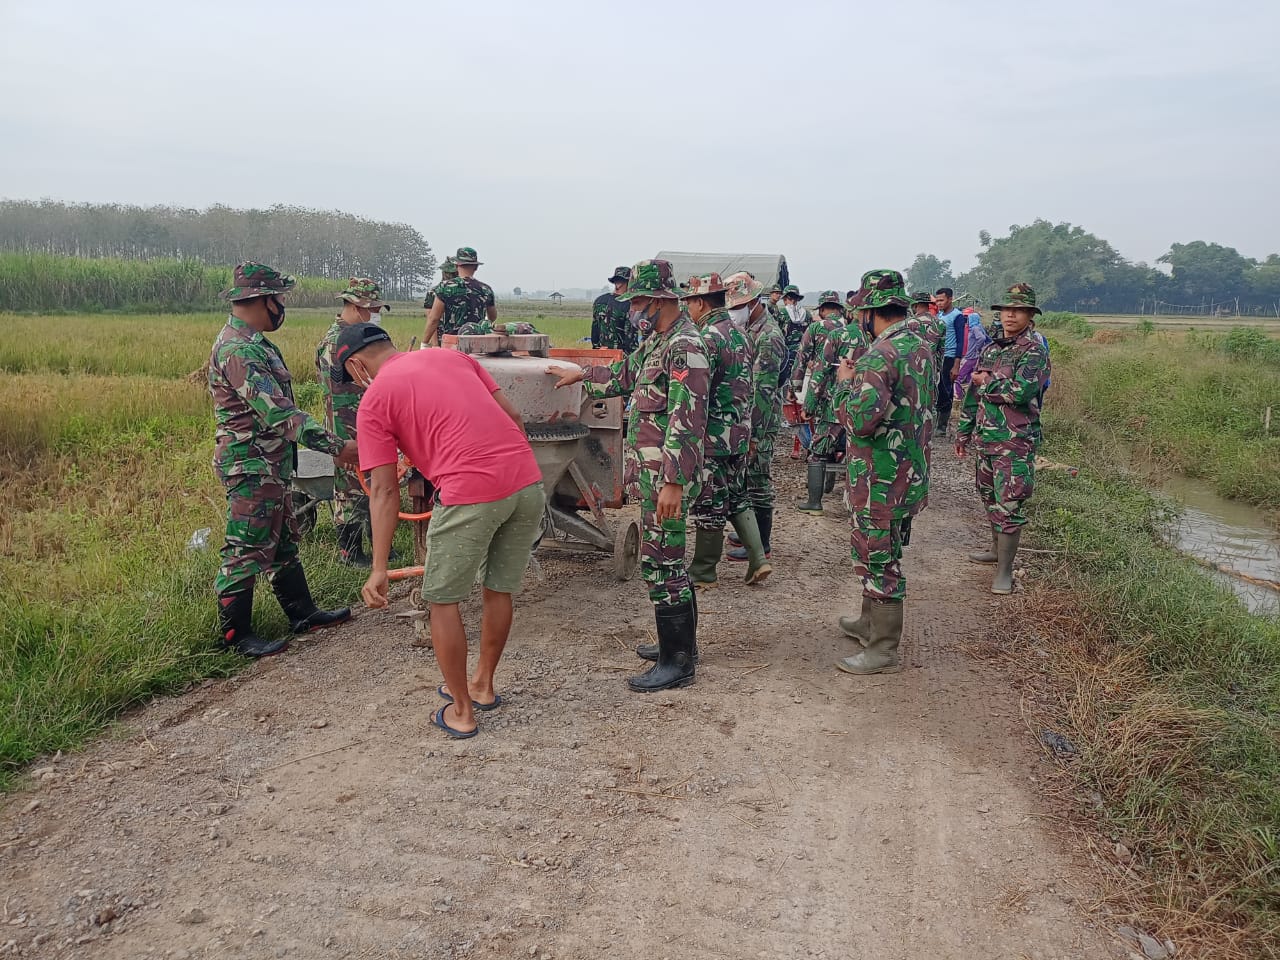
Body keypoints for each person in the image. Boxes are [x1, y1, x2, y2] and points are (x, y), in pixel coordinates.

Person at [340, 324, 545, 739]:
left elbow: (383, 489)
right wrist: (510, 472)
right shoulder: (453, 356)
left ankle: (463, 711)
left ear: (355, 364)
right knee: (498, 588)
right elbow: (516, 417)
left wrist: (379, 567)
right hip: (527, 483)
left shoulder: (375, 398)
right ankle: (483, 685)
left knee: (442, 601)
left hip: (470, 492)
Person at [545, 260, 708, 692]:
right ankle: (678, 645)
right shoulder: (660, 341)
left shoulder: (685, 347)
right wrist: (580, 373)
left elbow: (687, 420)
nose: (632, 308)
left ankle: (678, 663)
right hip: (655, 475)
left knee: (662, 561)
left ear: (658, 301)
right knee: (664, 557)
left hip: (665, 477)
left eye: (637, 300)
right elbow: (625, 373)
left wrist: (673, 481)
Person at [209, 262, 359, 658]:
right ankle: (236, 636)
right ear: (260, 300)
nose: (281, 307)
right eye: (278, 299)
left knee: (283, 542)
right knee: (245, 548)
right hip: (250, 465)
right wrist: (337, 446)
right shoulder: (238, 349)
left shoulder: (256, 343)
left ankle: (303, 613)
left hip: (272, 463)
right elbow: (278, 414)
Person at [831, 269, 934, 676]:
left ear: (871, 311)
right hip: (907, 470)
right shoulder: (920, 346)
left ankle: (883, 648)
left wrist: (845, 385)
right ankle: (868, 622)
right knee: (882, 548)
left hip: (879, 477)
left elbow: (859, 420)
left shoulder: (879, 354)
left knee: (879, 557)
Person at [955, 283, 1051, 595]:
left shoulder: (1034, 352)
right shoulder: (991, 349)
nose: (1010, 315)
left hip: (1015, 441)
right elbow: (973, 393)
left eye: (1018, 310)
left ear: (1029, 315)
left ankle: (1005, 572)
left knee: (1010, 503)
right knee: (988, 495)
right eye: (1006, 309)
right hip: (987, 437)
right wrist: (964, 431)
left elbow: (1021, 393)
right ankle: (996, 551)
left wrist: (989, 382)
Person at [682, 274, 771, 589]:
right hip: (739, 432)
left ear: (701, 302)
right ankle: (758, 559)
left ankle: (704, 570)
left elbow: (697, 392)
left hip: (712, 437)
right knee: (737, 496)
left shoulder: (706, 338)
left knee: (709, 502)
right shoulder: (742, 335)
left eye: (689, 301)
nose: (687, 308)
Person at [315, 277, 390, 567]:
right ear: (357, 307)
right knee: (349, 487)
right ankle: (351, 552)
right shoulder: (336, 342)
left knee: (370, 484)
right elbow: (334, 397)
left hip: (363, 418)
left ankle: (379, 544)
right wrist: (340, 442)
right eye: (372, 308)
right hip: (345, 423)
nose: (375, 314)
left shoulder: (358, 335)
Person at [724, 272, 785, 563]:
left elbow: (764, 391)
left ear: (754, 302)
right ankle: (749, 532)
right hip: (747, 416)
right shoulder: (750, 328)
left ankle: (762, 544)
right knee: (746, 478)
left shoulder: (769, 336)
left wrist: (753, 435)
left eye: (738, 305)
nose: (733, 312)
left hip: (760, 419)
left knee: (758, 479)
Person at [791, 291, 849, 515]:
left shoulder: (815, 328)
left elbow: (802, 358)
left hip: (826, 396)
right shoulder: (856, 331)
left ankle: (815, 502)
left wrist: (795, 390)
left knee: (818, 447)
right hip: (853, 398)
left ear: (823, 309)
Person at [422, 246, 497, 346]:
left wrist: (424, 344)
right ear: (476, 267)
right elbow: (492, 316)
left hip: (452, 343)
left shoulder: (445, 287)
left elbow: (434, 319)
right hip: (478, 344)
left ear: (457, 265)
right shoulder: (486, 289)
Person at [932, 286, 965, 437]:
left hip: (950, 357)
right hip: (938, 357)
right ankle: (935, 422)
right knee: (936, 389)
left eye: (941, 300)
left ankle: (942, 426)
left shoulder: (957, 316)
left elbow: (960, 341)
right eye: (937, 300)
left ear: (950, 299)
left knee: (946, 390)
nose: (939, 303)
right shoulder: (939, 315)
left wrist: (957, 365)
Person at [592, 266, 637, 352]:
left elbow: (595, 331)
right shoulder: (629, 305)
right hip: (621, 357)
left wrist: (596, 350)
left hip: (600, 353)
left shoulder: (599, 301)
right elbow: (630, 339)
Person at [779, 284, 811, 383]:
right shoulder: (807, 314)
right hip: (802, 352)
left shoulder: (781, 313)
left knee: (783, 379)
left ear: (785, 299)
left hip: (785, 352)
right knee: (797, 378)